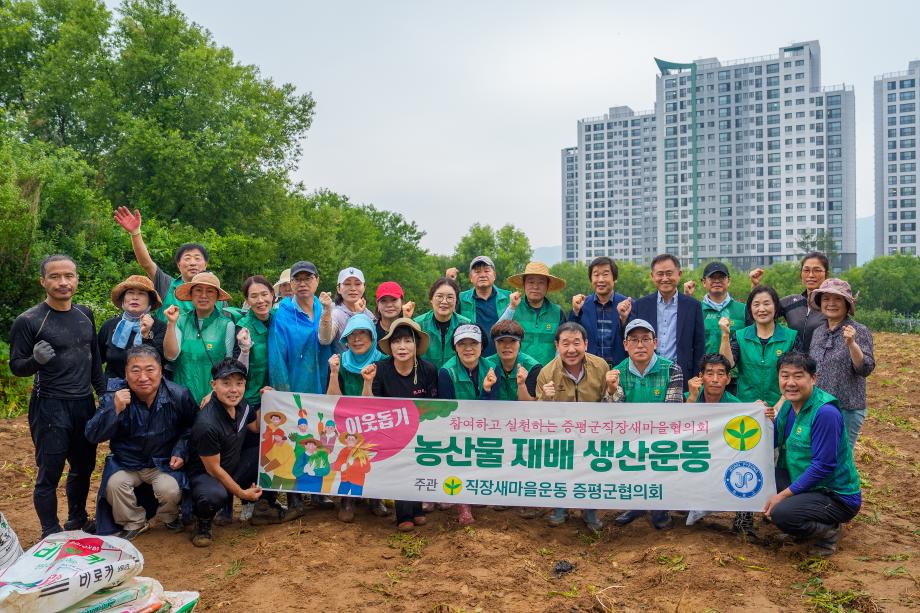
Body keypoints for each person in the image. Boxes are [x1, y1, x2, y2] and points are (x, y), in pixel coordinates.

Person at [9, 255, 106, 537]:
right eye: (55, 277)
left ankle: (77, 518)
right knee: (50, 470)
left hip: (83, 404)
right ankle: (49, 531)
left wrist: (103, 394)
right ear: (43, 281)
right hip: (49, 405)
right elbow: (17, 366)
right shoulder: (29, 321)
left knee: (84, 466)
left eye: (69, 276)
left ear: (76, 279)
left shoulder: (85, 314)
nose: (63, 282)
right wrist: (35, 361)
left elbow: (94, 360)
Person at [84, 345, 196, 539]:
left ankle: (168, 516)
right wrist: (114, 409)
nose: (143, 377)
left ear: (161, 371)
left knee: (169, 489)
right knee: (114, 485)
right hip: (126, 462)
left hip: (162, 462)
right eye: (135, 370)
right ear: (126, 373)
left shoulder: (178, 394)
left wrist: (180, 450)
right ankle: (133, 521)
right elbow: (92, 435)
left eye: (150, 370)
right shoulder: (114, 396)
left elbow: (192, 427)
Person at [765, 353, 861, 557]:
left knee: (780, 513)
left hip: (834, 495)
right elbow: (771, 443)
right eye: (785, 376)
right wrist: (761, 419)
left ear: (813, 378)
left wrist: (782, 496)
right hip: (806, 483)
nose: (790, 383)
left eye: (798, 376)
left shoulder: (825, 413)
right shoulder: (787, 408)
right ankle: (802, 522)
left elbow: (823, 466)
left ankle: (827, 532)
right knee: (759, 485)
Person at [536, 322, 616, 532]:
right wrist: (546, 399)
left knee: (593, 468)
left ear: (586, 344)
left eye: (576, 343)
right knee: (560, 466)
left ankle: (590, 510)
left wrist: (610, 390)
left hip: (593, 434)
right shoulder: (546, 373)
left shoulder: (601, 367)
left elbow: (609, 406)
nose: (571, 350)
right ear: (557, 346)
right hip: (561, 435)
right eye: (565, 344)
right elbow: (539, 417)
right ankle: (560, 507)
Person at [608, 319, 684, 531]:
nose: (640, 345)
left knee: (661, 461)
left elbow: (673, 409)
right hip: (629, 436)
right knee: (630, 461)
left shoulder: (672, 370)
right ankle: (636, 505)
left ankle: (660, 508)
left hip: (662, 435)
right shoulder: (616, 372)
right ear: (625, 345)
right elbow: (612, 413)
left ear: (655, 342)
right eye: (634, 340)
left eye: (645, 339)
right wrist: (612, 391)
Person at [233, 275, 295, 524]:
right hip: (252, 399)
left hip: (279, 396)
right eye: (254, 296)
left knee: (278, 447)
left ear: (273, 295)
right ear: (247, 300)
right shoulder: (243, 326)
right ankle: (249, 500)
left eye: (264, 294)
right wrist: (245, 349)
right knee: (254, 449)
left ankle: (269, 499)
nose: (260, 300)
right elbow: (237, 370)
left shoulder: (281, 319)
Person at [368, 318, 438, 531]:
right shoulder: (379, 369)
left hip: (421, 428)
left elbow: (433, 405)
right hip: (390, 432)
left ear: (416, 345)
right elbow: (370, 405)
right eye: (396, 342)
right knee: (400, 468)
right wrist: (367, 382)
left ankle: (417, 509)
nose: (402, 347)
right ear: (390, 346)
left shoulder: (428, 370)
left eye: (408, 341)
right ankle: (404, 515)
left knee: (417, 465)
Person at [186, 358, 263, 547]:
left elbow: (256, 426)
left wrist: (266, 400)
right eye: (226, 383)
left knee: (266, 455)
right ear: (214, 385)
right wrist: (242, 493)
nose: (233, 389)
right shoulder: (207, 423)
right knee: (214, 495)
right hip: (206, 475)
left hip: (231, 466)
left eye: (239, 383)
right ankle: (202, 521)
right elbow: (213, 470)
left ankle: (263, 506)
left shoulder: (242, 406)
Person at [683, 354, 752, 534]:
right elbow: (678, 429)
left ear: (728, 379)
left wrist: (762, 414)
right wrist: (691, 397)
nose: (714, 379)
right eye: (709, 373)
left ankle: (744, 521)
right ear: (700, 376)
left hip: (721, 460)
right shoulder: (687, 397)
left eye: (721, 374)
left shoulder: (737, 407)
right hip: (692, 457)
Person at [437, 324, 497, 526]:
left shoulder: (490, 367)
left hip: (484, 425)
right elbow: (448, 411)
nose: (468, 348)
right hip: (456, 427)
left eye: (473, 343)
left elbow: (493, 407)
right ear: (455, 347)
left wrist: (487, 390)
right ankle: (463, 504)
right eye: (462, 343)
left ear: (482, 346)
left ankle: (475, 492)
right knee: (459, 455)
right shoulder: (447, 372)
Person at [113, 206, 216, 321]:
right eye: (187, 258)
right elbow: (146, 263)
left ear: (206, 264)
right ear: (178, 265)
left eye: (197, 258)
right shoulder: (167, 284)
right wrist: (135, 233)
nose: (192, 263)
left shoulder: (216, 293)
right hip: (164, 338)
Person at [809, 279, 875, 449]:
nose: (831, 304)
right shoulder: (818, 332)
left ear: (847, 304)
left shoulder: (858, 330)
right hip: (819, 406)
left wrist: (852, 344)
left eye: (837, 299)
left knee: (840, 459)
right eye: (826, 299)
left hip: (846, 408)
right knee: (820, 455)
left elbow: (865, 368)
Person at [624, 254, 704, 391]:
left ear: (679, 274)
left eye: (669, 273)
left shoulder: (693, 306)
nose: (665, 278)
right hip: (647, 373)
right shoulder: (641, 305)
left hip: (682, 373)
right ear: (652, 276)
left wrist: (696, 376)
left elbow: (699, 345)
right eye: (660, 274)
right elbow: (631, 341)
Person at [163, 272, 236, 405]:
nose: (203, 295)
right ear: (191, 295)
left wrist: (214, 393)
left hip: (213, 400)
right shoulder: (180, 321)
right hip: (181, 399)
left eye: (210, 291)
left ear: (217, 297)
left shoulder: (227, 325)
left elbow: (229, 366)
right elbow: (170, 356)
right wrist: (171, 323)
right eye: (198, 290)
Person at [720, 286, 799, 407]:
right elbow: (727, 364)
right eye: (756, 304)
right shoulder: (740, 336)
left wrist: (781, 403)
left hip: (782, 408)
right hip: (747, 407)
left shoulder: (791, 337)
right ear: (750, 309)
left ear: (776, 306)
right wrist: (725, 335)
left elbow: (797, 374)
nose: (761, 309)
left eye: (766, 304)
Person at [268, 261, 335, 393]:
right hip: (296, 392)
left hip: (326, 388)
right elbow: (277, 360)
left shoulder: (324, 308)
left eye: (308, 278)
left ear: (317, 280)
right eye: (297, 279)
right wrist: (283, 395)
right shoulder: (282, 315)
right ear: (291, 283)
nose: (302, 284)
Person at [750, 251, 829, 350]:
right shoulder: (791, 302)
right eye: (806, 270)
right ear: (801, 274)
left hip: (821, 363)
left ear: (826, 274)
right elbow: (759, 313)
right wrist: (755, 286)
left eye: (817, 270)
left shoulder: (831, 305)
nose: (811, 275)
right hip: (793, 363)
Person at [98, 275, 166, 384]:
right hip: (113, 392)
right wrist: (102, 388)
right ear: (123, 298)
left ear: (150, 301)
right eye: (130, 293)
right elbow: (96, 361)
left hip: (148, 390)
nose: (135, 297)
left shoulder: (160, 327)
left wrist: (147, 336)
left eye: (141, 294)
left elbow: (161, 361)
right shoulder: (109, 325)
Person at [568, 256, 631, 368]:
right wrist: (576, 311)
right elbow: (571, 335)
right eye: (596, 275)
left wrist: (624, 319)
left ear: (614, 278)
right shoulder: (582, 305)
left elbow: (633, 338)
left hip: (620, 369)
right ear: (591, 279)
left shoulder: (627, 305)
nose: (600, 279)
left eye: (605, 274)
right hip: (589, 370)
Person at [503, 262, 567, 366]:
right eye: (531, 282)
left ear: (547, 286)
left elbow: (563, 344)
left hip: (548, 374)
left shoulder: (558, 312)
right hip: (518, 372)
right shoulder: (513, 309)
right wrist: (511, 307)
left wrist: (555, 370)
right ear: (524, 285)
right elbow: (496, 333)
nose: (535, 287)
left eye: (541, 283)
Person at [455, 256, 511, 355]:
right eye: (477, 272)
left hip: (501, 357)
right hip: (471, 358)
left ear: (494, 275)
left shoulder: (508, 298)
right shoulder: (461, 298)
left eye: (486, 271)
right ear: (471, 278)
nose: (482, 275)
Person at [689, 262, 746, 357]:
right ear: (704, 282)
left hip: (734, 371)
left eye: (721, 277)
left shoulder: (743, 309)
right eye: (712, 277)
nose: (717, 281)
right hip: (705, 370)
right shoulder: (695, 310)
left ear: (728, 281)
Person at [414, 277, 470, 369]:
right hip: (425, 379)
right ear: (431, 299)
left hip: (454, 379)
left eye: (450, 297)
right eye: (439, 296)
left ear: (456, 301)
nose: (444, 301)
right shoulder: (418, 324)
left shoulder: (466, 325)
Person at [481, 320, 542, 402]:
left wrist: (521, 385)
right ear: (494, 343)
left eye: (513, 341)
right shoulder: (485, 365)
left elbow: (530, 406)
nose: (507, 346)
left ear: (520, 343)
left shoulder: (533, 367)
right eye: (501, 341)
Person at [328, 314, 384, 397]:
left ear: (372, 336)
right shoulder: (338, 361)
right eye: (351, 334)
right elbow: (331, 402)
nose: (357, 339)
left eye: (362, 332)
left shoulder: (385, 362)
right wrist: (334, 373)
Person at [331, 267, 375, 352]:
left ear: (364, 287)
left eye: (358, 284)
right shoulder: (334, 314)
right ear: (338, 289)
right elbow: (325, 340)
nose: (353, 288)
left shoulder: (370, 315)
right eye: (347, 284)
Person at [373, 281, 415, 348]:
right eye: (383, 301)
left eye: (394, 300)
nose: (389, 305)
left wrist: (406, 321)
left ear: (402, 302)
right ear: (377, 304)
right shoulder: (371, 330)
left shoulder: (413, 328)